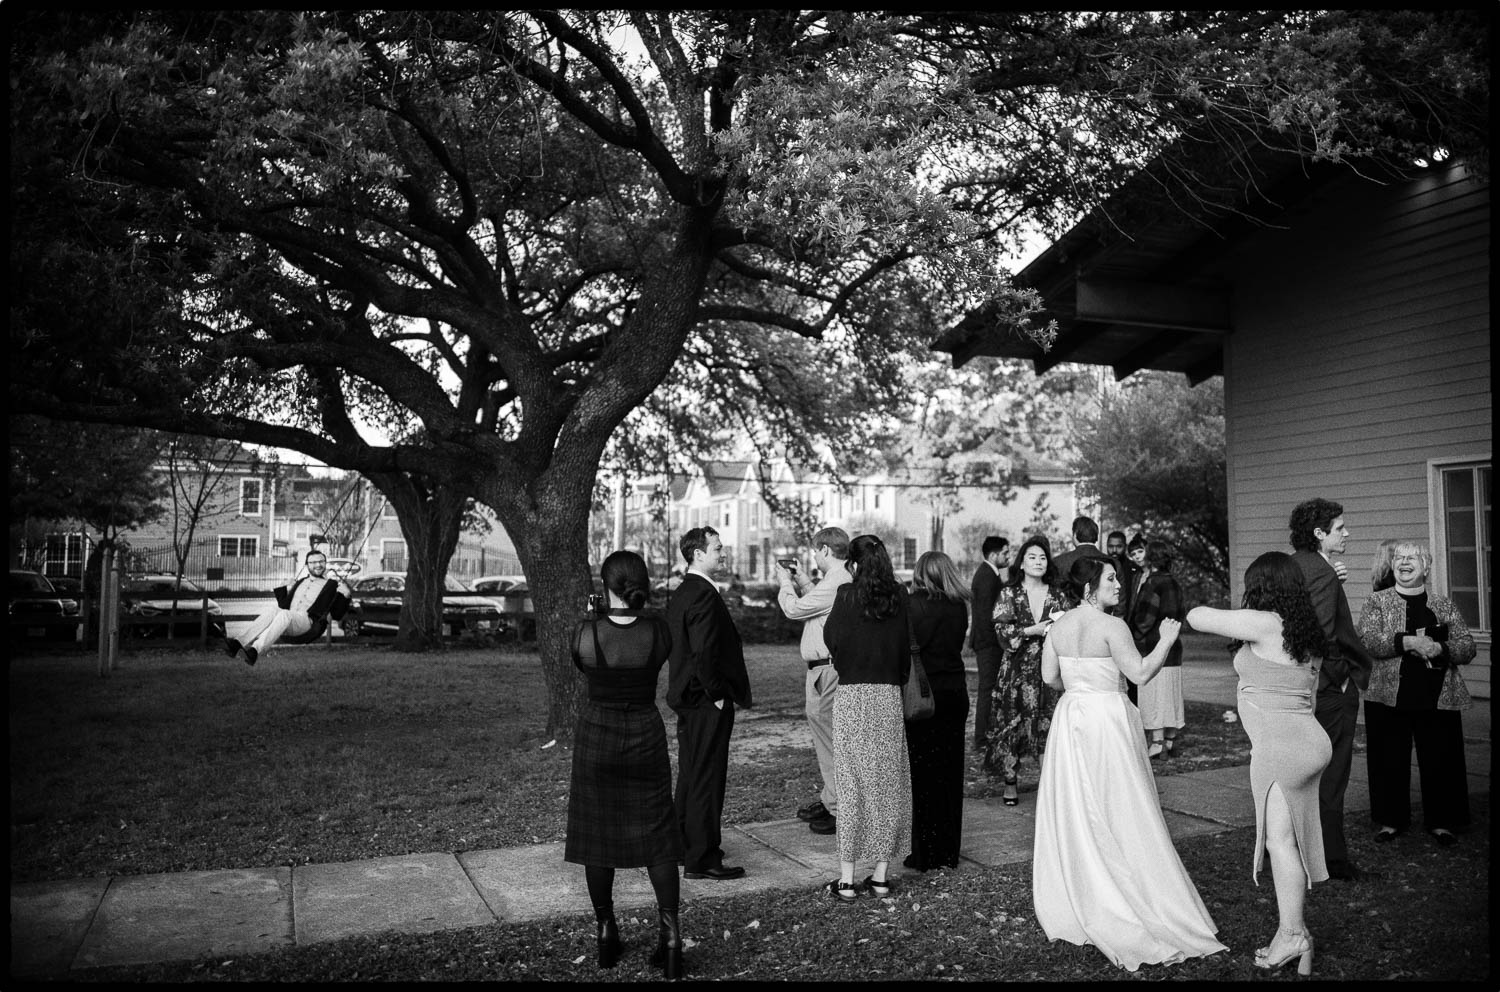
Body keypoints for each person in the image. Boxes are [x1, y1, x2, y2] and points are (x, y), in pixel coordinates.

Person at [1032, 556, 1226, 972]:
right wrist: (1165, 640)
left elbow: (1049, 677)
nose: (1118, 584)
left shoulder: (1058, 627)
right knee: (1122, 800)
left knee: (1078, 805)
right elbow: (1138, 674)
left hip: (1072, 717)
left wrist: (1080, 686)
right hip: (1106, 718)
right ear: (1090, 588)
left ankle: (1084, 885)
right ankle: (1131, 884)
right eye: (1110, 579)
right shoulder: (1113, 626)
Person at [1188, 552, 1332, 976]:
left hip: (1281, 747)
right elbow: (1311, 696)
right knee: (1290, 840)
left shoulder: (1268, 623)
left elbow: (1196, 616)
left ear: (1261, 587)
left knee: (1280, 843)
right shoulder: (1305, 633)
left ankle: (1292, 936)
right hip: (1309, 739)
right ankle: (1296, 939)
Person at [565, 551, 684, 979]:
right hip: (644, 734)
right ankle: (670, 937)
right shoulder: (659, 632)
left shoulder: (586, 632)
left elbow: (582, 664)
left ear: (605, 586)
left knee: (597, 836)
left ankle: (605, 929)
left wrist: (595, 621)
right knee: (658, 834)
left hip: (598, 733)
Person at [1355, 540, 1477, 847]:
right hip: (1387, 696)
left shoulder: (1444, 604)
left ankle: (1442, 822)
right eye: (1399, 558)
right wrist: (1409, 642)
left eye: (1412, 558)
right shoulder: (1376, 602)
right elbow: (1369, 641)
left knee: (1442, 759)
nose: (1404, 562)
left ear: (1426, 567)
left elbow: (1467, 646)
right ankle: (1390, 821)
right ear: (1392, 565)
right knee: (1387, 760)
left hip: (1437, 695)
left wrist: (1439, 647)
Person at [820, 534, 912, 902]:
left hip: (853, 696)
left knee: (852, 783)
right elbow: (906, 646)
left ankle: (846, 878)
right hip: (888, 696)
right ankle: (880, 875)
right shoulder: (899, 597)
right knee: (888, 784)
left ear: (854, 564)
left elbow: (832, 639)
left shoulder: (846, 596)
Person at [1288, 498, 1375, 882]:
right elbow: (1319, 635)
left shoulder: (1294, 565)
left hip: (1297, 690)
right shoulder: (1321, 572)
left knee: (1300, 773)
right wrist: (1339, 677)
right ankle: (1331, 860)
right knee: (1332, 774)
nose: (1347, 533)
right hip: (1327, 688)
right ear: (1319, 533)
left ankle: (1293, 852)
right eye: (1340, 528)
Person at [665, 526, 752, 882]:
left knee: (691, 773)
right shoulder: (701, 594)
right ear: (698, 554)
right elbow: (703, 652)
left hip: (690, 699)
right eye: (717, 548)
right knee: (707, 777)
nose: (723, 553)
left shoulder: (685, 591)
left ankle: (685, 845)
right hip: (705, 701)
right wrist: (717, 695)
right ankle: (702, 858)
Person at [775, 527, 853, 836]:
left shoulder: (836, 582)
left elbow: (794, 609)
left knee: (829, 742)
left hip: (826, 671)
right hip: (829, 669)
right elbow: (818, 603)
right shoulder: (841, 579)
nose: (814, 557)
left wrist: (784, 581)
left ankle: (839, 809)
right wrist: (802, 579)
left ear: (824, 551)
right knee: (831, 740)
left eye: (815, 552)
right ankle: (831, 798)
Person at [903, 551, 971, 872]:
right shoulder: (959, 606)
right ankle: (948, 850)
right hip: (956, 691)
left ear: (920, 573)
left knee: (923, 775)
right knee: (950, 772)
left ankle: (924, 852)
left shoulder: (914, 605)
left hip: (925, 694)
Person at [983, 535, 1062, 806]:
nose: (1038, 562)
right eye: (1032, 557)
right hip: (1016, 672)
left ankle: (1050, 783)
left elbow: (1067, 627)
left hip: (1049, 670)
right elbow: (1002, 632)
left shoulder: (1057, 593)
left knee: (1047, 725)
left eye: (1042, 557)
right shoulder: (1010, 593)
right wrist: (1032, 630)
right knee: (1012, 725)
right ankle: (1010, 782)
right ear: (1022, 562)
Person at [224, 549, 351, 666]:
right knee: (273, 609)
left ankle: (254, 651)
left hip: (307, 623)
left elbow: (337, 614)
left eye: (321, 561)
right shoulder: (300, 581)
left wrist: (345, 596)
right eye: (313, 562)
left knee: (285, 614)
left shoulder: (331, 585)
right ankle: (237, 643)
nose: (318, 565)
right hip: (288, 620)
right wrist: (282, 587)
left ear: (325, 563)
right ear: (307, 565)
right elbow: (283, 606)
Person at [1130, 540, 1187, 759]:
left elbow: (1145, 618)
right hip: (1174, 646)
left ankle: (1157, 742)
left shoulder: (1152, 583)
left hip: (1152, 646)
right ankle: (1170, 741)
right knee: (1171, 695)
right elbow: (1180, 614)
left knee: (1154, 695)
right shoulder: (1174, 583)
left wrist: (1134, 636)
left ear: (1151, 558)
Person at [968, 536, 1011, 752]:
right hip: (988, 643)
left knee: (989, 688)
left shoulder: (988, 575)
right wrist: (999, 642)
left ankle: (985, 734)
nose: (1008, 557)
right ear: (994, 555)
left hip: (987, 641)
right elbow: (986, 615)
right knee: (987, 689)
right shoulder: (987, 577)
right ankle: (982, 738)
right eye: (1005, 553)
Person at [1050, 515, 1107, 591]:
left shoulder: (1058, 562)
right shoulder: (1113, 563)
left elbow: (1054, 594)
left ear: (1075, 535)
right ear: (1096, 536)